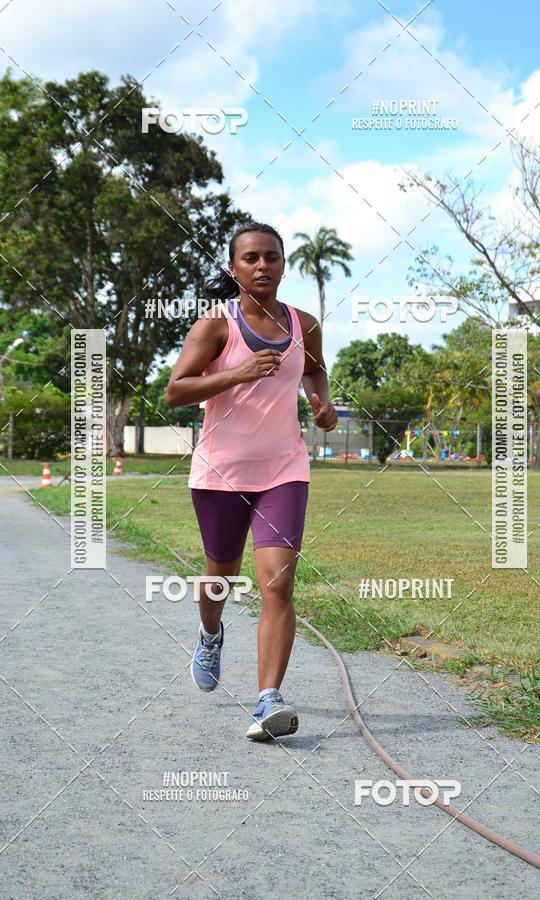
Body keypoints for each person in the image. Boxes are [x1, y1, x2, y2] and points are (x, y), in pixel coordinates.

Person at [164, 222, 337, 741]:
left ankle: (267, 701)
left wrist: (321, 404)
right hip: (221, 473)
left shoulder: (304, 324)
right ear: (234, 268)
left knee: (278, 583)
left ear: (284, 265)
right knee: (222, 574)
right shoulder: (216, 326)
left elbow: (315, 370)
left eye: (272, 257)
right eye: (251, 258)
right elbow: (176, 391)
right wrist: (236, 374)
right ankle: (210, 633)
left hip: (285, 469)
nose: (262, 265)